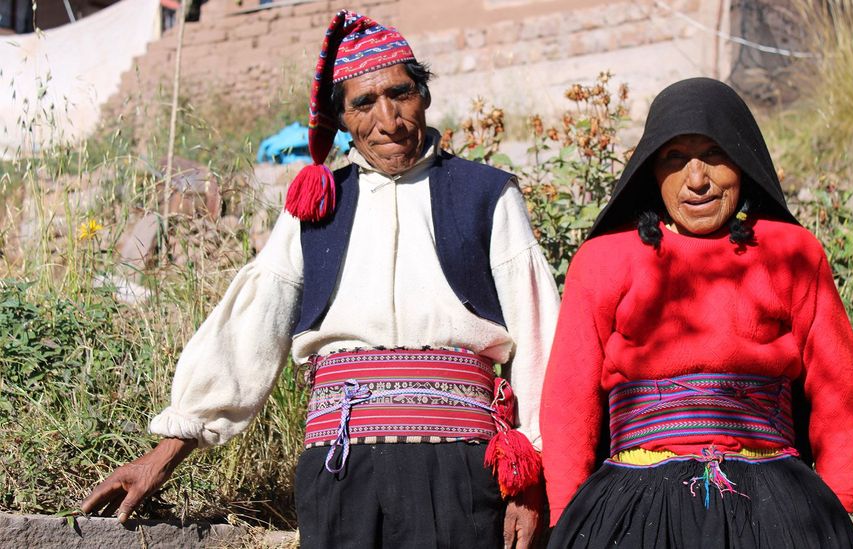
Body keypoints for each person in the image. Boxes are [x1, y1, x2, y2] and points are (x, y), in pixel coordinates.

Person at [82, 10, 560, 548]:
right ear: (341, 119)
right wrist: (167, 452)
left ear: (423, 95)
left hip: (463, 472)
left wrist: (534, 474)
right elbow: (251, 334)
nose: (389, 120)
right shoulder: (315, 208)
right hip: (341, 470)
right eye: (364, 103)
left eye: (401, 94)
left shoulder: (487, 195)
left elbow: (542, 338)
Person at [540, 77, 853, 548]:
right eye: (675, 158)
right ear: (652, 171)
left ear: (742, 159)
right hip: (633, 505)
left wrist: (831, 510)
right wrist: (571, 521)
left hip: (775, 503)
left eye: (713, 154)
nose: (696, 179)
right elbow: (570, 399)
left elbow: (838, 397)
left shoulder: (792, 253)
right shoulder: (604, 259)